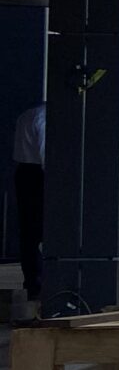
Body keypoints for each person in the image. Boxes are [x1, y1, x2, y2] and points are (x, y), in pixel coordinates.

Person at [11, 100, 42, 308]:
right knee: (45, 230)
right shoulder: (46, 118)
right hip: (40, 175)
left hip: (24, 173)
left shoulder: (27, 113)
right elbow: (47, 151)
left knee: (29, 232)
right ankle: (40, 283)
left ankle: (32, 282)